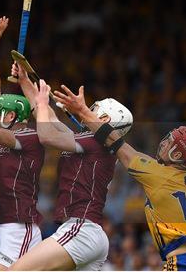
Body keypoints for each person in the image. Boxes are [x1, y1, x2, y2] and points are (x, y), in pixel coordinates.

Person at [53, 83, 186, 271]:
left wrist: (83, 111)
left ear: (177, 155)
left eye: (169, 143)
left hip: (182, 264)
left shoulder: (159, 176)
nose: (163, 144)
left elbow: (119, 145)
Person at [10, 74, 126, 271]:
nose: (89, 110)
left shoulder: (95, 142)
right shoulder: (90, 143)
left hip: (81, 229)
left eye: (95, 109)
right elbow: (46, 116)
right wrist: (25, 82)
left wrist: (43, 101)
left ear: (105, 119)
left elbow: (46, 136)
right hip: (89, 233)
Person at [0, 17, 45, 270]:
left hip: (19, 228)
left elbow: (2, 136)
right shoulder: (0, 128)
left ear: (11, 116)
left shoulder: (29, 136)